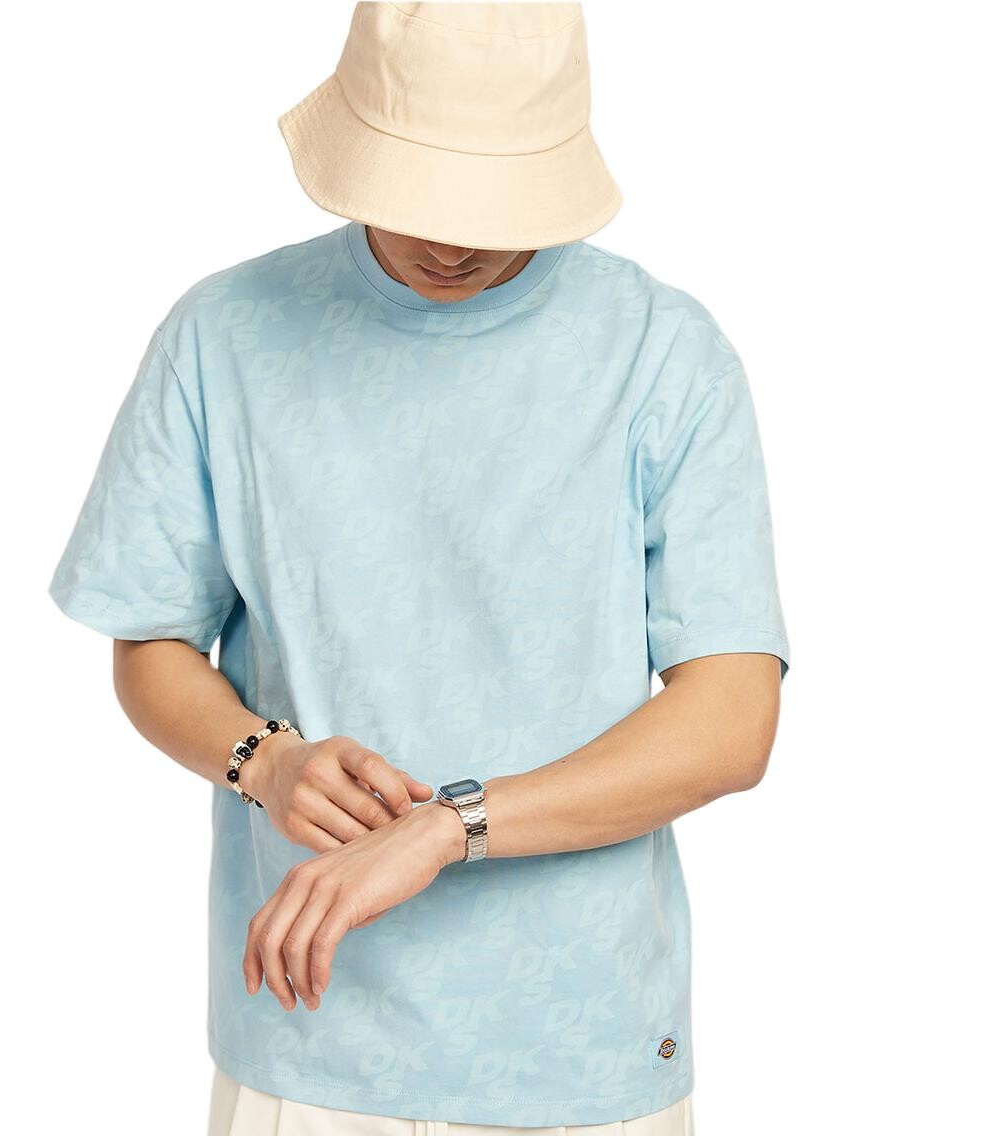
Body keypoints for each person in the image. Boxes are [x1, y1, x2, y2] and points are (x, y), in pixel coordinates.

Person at [47, 4, 791, 1134]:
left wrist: (448, 825)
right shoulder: (224, 336)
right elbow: (150, 641)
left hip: (579, 1042)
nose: (450, 243)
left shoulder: (662, 353)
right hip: (308, 1022)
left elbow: (731, 724)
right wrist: (266, 762)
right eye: (419, 197)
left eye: (490, 205)